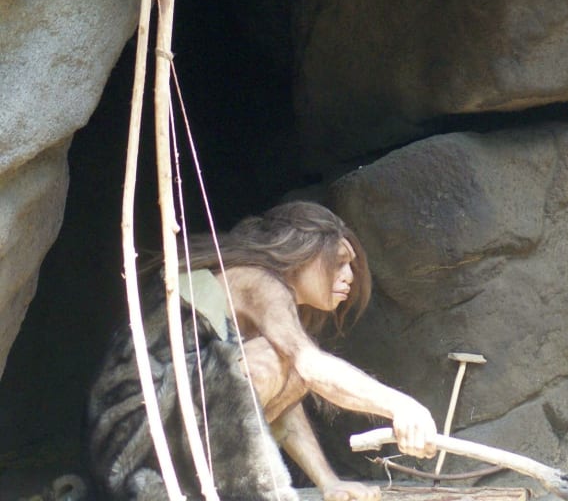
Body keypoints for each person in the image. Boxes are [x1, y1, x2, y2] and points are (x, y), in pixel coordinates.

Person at [87, 201, 436, 501]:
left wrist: (329, 483)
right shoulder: (258, 281)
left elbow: (287, 390)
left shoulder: (263, 303)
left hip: (138, 449)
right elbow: (308, 365)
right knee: (281, 358)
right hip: (134, 438)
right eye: (339, 261)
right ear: (304, 251)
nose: (349, 277)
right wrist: (400, 406)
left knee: (286, 363)